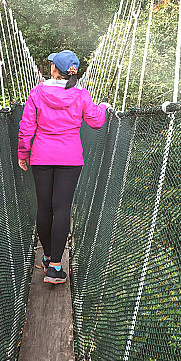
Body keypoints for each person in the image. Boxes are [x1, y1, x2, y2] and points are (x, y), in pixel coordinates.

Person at [18, 50, 109, 284]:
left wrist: (23, 153)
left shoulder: (38, 92)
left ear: (54, 69)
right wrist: (103, 108)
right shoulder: (81, 95)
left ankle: (47, 257)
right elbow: (96, 122)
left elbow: (27, 125)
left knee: (44, 208)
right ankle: (56, 267)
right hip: (69, 159)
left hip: (41, 157)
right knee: (62, 209)